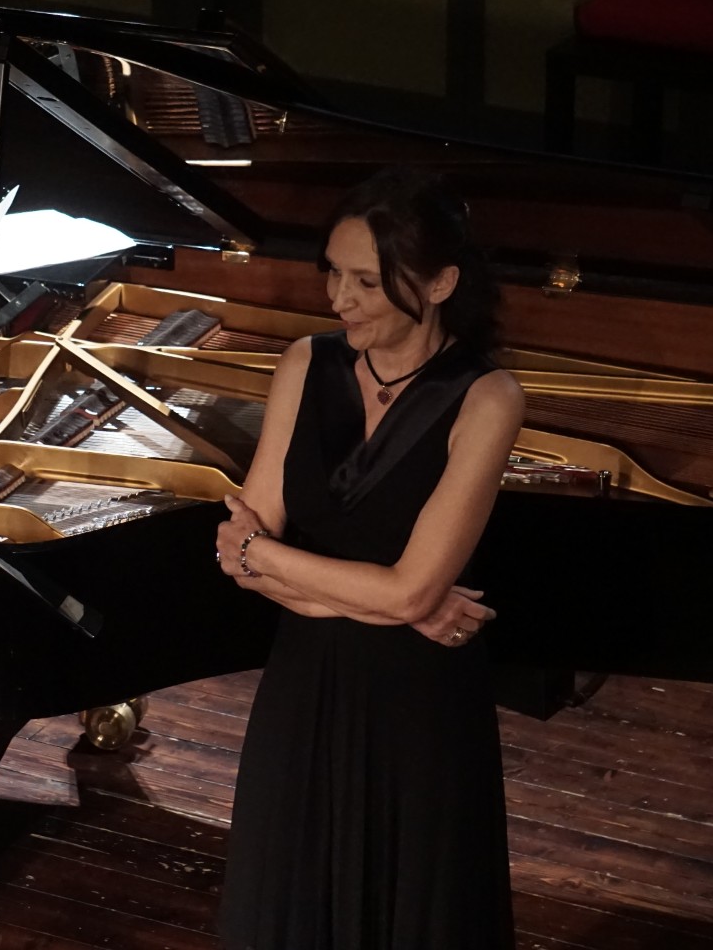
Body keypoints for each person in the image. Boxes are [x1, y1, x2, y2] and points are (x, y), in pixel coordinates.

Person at [214, 166, 523, 948]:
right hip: (303, 687)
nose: (337, 299)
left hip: (416, 709)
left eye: (365, 282)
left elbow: (401, 588)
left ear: (441, 283)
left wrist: (272, 558)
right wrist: (389, 601)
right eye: (333, 274)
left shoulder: (488, 399)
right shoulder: (303, 364)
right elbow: (240, 557)